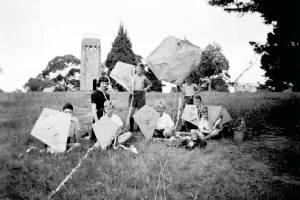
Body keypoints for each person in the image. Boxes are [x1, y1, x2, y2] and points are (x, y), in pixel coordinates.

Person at [128, 63, 152, 131]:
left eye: (141, 69)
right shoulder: (133, 77)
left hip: (141, 95)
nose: (139, 70)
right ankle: (131, 128)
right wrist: (130, 91)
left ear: (143, 70)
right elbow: (129, 87)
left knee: (140, 112)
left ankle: (139, 128)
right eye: (138, 68)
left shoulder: (143, 77)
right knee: (131, 112)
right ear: (136, 69)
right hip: (133, 95)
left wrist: (145, 89)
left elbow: (150, 84)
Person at [90, 76, 110, 142]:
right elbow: (93, 108)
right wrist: (96, 120)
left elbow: (108, 106)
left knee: (108, 136)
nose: (105, 85)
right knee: (97, 139)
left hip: (106, 115)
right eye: (103, 83)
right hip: (98, 115)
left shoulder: (107, 95)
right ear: (99, 83)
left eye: (106, 83)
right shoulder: (95, 93)